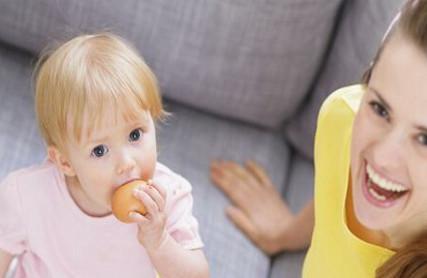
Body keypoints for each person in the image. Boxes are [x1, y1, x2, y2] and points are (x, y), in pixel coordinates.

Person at [211, 0, 427, 276]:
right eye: (380, 109)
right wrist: (286, 232)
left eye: (424, 139)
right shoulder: (343, 117)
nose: (382, 158)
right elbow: (337, 181)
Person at [0, 33, 209, 278]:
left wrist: (159, 241)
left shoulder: (168, 197)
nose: (126, 163)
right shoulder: (27, 197)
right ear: (65, 162)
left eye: (134, 135)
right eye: (99, 150)